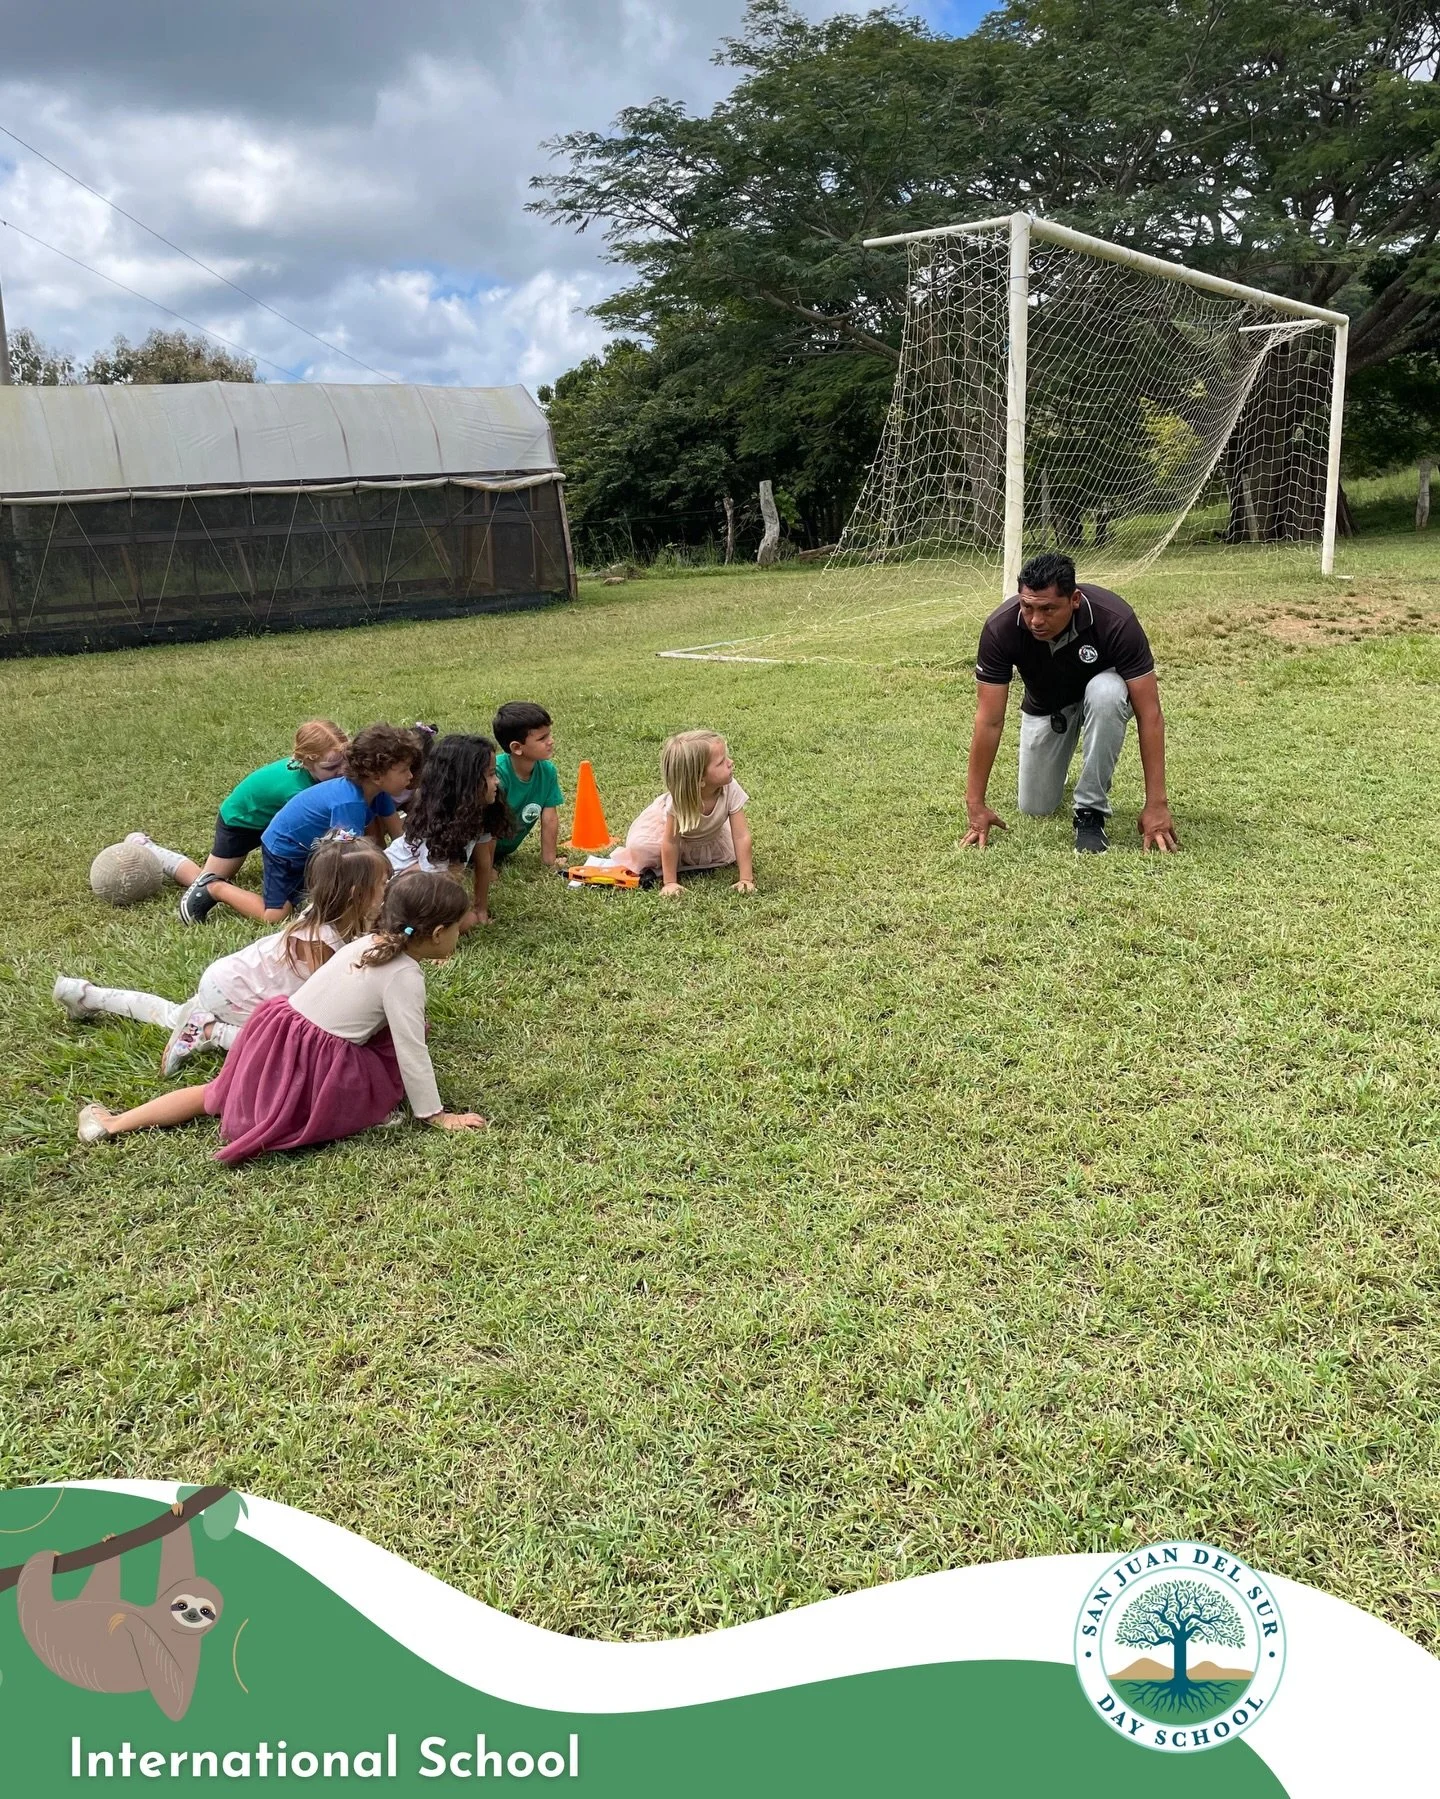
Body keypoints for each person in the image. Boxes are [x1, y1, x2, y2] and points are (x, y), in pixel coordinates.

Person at [76, 870, 486, 1161]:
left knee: (215, 1094)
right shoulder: (404, 976)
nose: (458, 935)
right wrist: (435, 1114)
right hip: (316, 1060)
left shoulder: (366, 944)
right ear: (436, 934)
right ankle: (353, 1111)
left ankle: (112, 1124)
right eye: (456, 929)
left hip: (274, 1034)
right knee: (377, 1067)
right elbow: (411, 1050)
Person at [53, 834, 387, 1075]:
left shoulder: (336, 914)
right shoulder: (321, 941)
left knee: (171, 1016)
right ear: (358, 895)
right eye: (384, 883)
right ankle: (213, 1032)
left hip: (229, 978)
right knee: (287, 1045)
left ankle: (86, 995)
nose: (389, 888)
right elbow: (321, 1007)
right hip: (236, 993)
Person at [960, 551, 1179, 856]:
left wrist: (1156, 804)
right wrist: (976, 803)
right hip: (1048, 706)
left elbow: (1150, 714)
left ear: (1074, 599)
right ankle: (1058, 769)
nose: (1036, 620)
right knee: (1036, 806)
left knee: (1106, 693)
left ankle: (1090, 812)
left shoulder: (1115, 619)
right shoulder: (1001, 628)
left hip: (1102, 696)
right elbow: (989, 720)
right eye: (1028, 607)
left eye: (1048, 609)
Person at [179, 724, 421, 925]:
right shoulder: (349, 803)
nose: (411, 776)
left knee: (312, 899)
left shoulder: (378, 794)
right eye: (403, 770)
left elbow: (400, 839)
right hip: (284, 851)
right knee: (275, 915)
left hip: (311, 848)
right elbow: (348, 862)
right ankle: (214, 886)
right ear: (377, 776)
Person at [124, 721, 349, 889]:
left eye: (344, 761)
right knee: (205, 881)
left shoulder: (324, 773)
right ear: (305, 762)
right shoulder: (298, 792)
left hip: (272, 817)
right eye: (330, 768)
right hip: (241, 822)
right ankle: (152, 851)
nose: (341, 771)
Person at [385, 733, 511, 929]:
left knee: (468, 917)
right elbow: (427, 879)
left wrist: (481, 909)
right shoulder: (438, 824)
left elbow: (484, 862)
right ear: (465, 782)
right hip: (397, 886)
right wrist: (437, 933)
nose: (497, 782)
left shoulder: (481, 811)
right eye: (490, 774)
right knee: (463, 920)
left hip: (430, 880)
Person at [613, 730, 756, 896]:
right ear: (699, 779)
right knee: (643, 849)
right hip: (667, 833)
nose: (730, 762)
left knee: (730, 853)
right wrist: (670, 883)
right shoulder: (680, 801)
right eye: (721, 762)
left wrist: (746, 879)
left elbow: (741, 836)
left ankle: (687, 858)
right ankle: (675, 863)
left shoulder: (731, 788)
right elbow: (671, 842)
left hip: (706, 837)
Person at [488, 702, 564, 871]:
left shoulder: (547, 772)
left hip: (502, 853)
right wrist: (486, 868)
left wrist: (549, 861)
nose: (551, 741)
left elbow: (549, 818)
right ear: (516, 747)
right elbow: (487, 825)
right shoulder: (497, 775)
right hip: (469, 852)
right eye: (542, 738)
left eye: (549, 735)